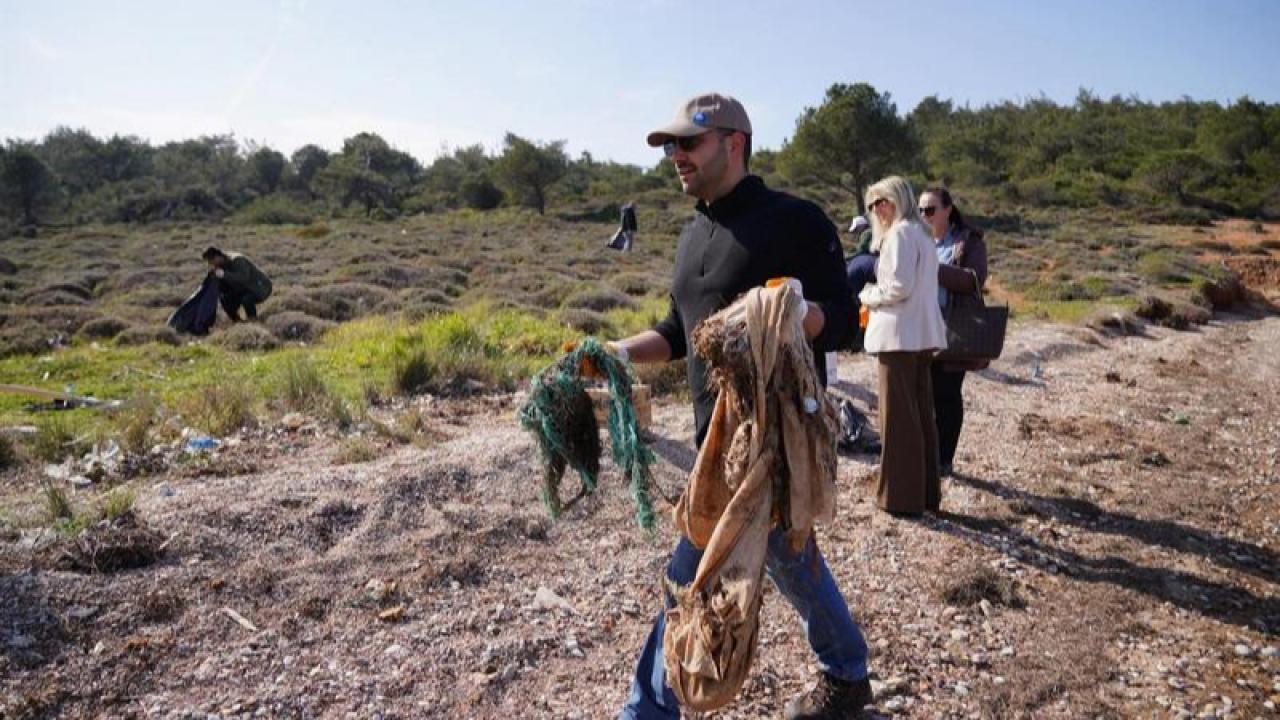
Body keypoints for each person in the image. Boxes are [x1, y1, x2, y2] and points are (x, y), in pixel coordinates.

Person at [605, 92, 871, 720]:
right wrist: (611, 351)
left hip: (772, 439)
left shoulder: (796, 220)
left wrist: (791, 311)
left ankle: (646, 710)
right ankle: (848, 670)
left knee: (687, 573)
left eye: (687, 143)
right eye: (669, 147)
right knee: (788, 555)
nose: (675, 157)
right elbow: (677, 332)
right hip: (714, 439)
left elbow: (843, 324)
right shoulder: (694, 233)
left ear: (734, 142)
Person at [857, 176, 947, 515]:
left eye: (883, 201)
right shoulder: (921, 233)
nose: (877, 210)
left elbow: (897, 289)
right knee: (921, 415)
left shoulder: (898, 234)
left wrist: (867, 294)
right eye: (872, 204)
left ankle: (900, 499)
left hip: (899, 337)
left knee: (898, 421)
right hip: (921, 336)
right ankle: (925, 495)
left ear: (898, 200)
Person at [920, 187, 989, 478]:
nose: (925, 216)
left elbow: (974, 280)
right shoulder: (918, 240)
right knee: (923, 395)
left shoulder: (968, 242)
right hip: (921, 327)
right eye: (921, 210)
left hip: (953, 329)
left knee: (946, 395)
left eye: (931, 209)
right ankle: (926, 457)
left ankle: (944, 460)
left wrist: (933, 269)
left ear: (948, 209)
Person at [201, 247, 272, 323]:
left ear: (217, 257)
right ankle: (238, 323)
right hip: (244, 289)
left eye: (211, 260)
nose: (211, 263)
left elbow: (244, 279)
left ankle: (253, 321)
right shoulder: (220, 266)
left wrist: (224, 275)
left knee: (247, 299)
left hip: (260, 287)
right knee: (224, 299)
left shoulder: (238, 260)